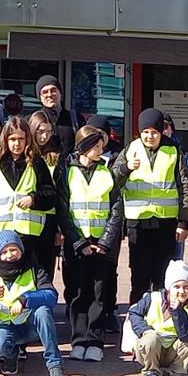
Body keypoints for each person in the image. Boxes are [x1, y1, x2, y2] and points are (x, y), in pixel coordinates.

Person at [58, 125, 123, 362]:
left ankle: (95, 341)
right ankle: (78, 341)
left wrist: (105, 242)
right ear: (84, 147)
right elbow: (63, 210)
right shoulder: (67, 173)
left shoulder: (107, 173)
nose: (100, 150)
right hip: (77, 244)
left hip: (100, 244)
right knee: (77, 293)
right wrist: (78, 242)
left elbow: (116, 210)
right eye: (96, 146)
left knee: (99, 294)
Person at [0, 230, 68, 376]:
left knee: (43, 312)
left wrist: (25, 300)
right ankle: (12, 353)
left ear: (21, 250)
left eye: (13, 249)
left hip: (31, 326)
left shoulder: (34, 269)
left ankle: (55, 365)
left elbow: (51, 296)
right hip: (5, 327)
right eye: (4, 252)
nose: (9, 255)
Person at [116, 108, 188, 302]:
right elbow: (111, 180)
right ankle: (137, 314)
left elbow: (185, 187)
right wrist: (126, 168)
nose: (150, 136)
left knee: (163, 275)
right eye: (145, 132)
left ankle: (163, 314)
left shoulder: (174, 151)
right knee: (139, 275)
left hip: (165, 222)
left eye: (154, 132)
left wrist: (183, 222)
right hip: (138, 223)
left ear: (161, 132)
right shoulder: (130, 149)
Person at [0, 117, 59, 278]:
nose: (17, 144)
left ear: (28, 139)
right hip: (1, 235)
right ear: (5, 140)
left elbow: (51, 195)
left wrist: (34, 199)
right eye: (12, 139)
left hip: (31, 237)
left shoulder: (36, 162)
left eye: (21, 139)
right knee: (3, 280)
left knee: (31, 280)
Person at [127, 259, 188, 376]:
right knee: (150, 338)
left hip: (173, 352)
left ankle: (179, 371)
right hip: (151, 349)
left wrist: (178, 312)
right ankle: (151, 370)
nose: (182, 291)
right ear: (168, 287)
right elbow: (134, 313)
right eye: (177, 287)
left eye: (186, 287)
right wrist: (144, 330)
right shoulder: (152, 297)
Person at [33, 75, 81, 156]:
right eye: (45, 92)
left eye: (53, 90)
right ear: (40, 97)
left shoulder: (76, 119)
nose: (49, 95)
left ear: (60, 93)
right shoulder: (33, 121)